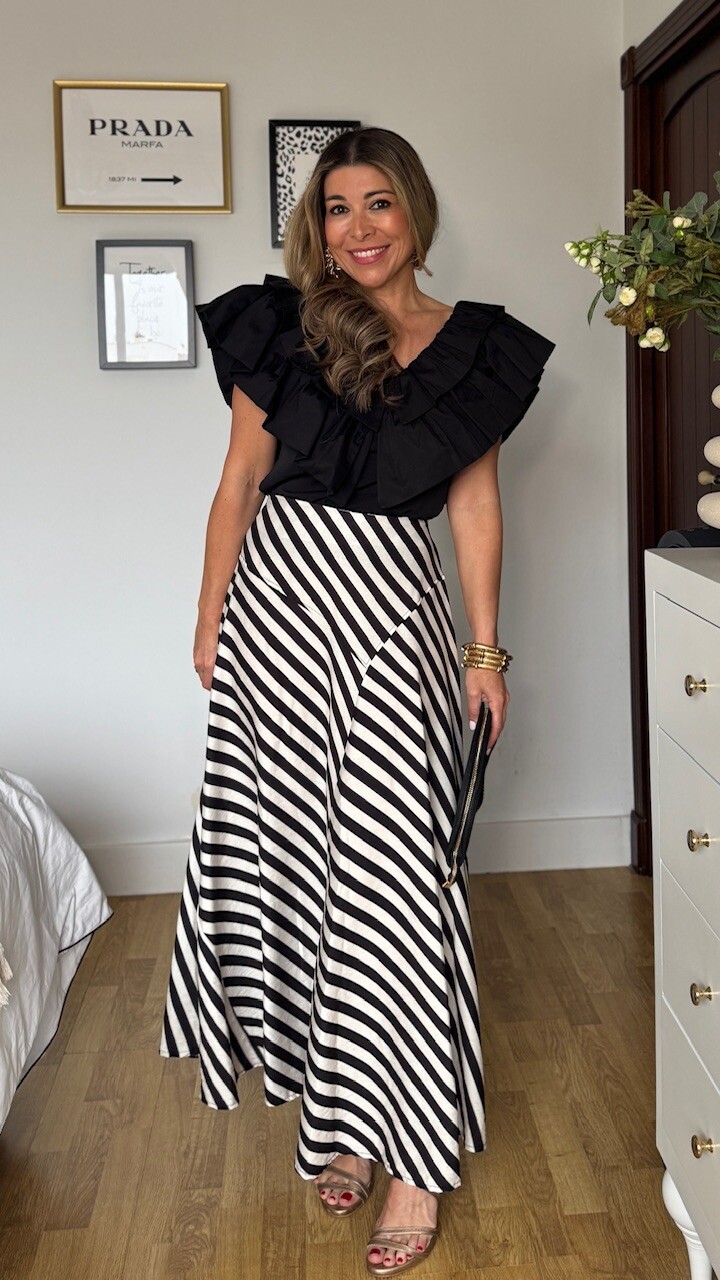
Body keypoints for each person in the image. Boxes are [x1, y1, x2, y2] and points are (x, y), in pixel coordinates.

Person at [160, 125, 555, 1276]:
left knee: (398, 887)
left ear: (414, 211)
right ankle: (346, 1120)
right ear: (317, 227)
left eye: (378, 202)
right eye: (337, 208)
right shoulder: (282, 328)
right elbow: (238, 482)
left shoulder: (475, 349)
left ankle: (416, 1159)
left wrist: (485, 653)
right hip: (277, 622)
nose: (359, 228)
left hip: (389, 625)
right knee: (306, 880)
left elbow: (473, 507)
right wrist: (209, 618)